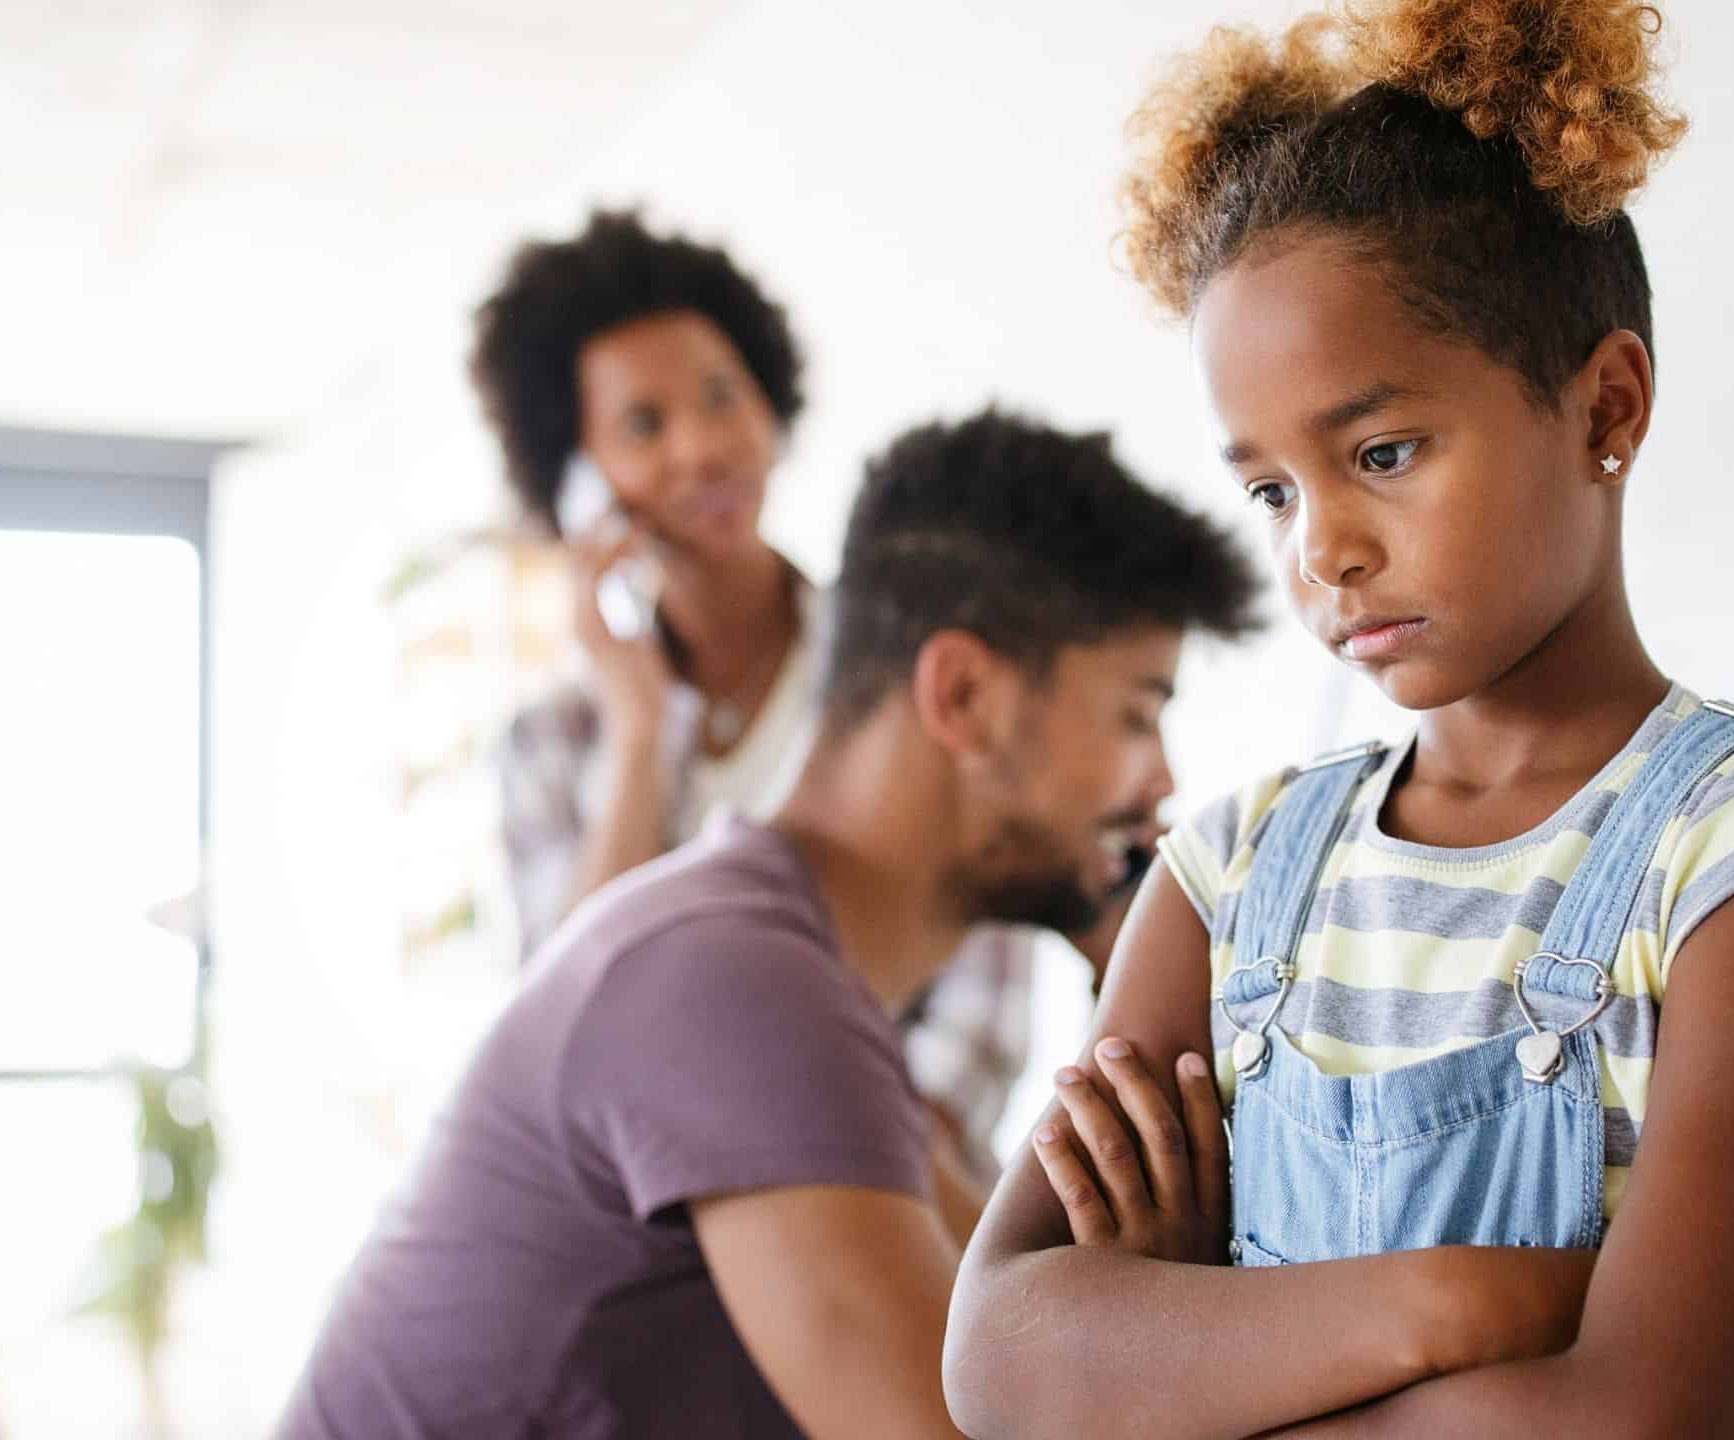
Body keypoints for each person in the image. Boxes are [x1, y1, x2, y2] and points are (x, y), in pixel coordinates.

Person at [944, 3, 1734, 1438]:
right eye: (1272, 492)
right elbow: (1003, 1360)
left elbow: (1644, 1425)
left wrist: (1193, 1368)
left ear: (1606, 406)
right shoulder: (1230, 876)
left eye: (1382, 453)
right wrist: (1468, 1304)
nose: (1321, 550)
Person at [275, 408, 1260, 1439]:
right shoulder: (730, 982)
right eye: (1137, 714)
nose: (1162, 780)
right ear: (962, 696)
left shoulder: (781, 985)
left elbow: (1030, 1323)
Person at [474, 212, 1116, 1187]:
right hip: (651, 1206)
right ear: (578, 477)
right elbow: (565, 1020)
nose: (702, 448)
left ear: (770, 408)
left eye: (722, 398)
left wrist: (822, 1168)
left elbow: (975, 1031)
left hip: (900, 1184)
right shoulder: (553, 739)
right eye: (643, 425)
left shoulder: (909, 674)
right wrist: (640, 731)